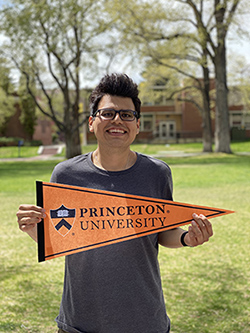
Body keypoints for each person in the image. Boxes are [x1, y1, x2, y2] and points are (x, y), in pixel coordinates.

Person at [17, 73, 213, 333]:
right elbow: (59, 238)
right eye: (108, 114)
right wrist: (37, 232)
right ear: (91, 122)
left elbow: (163, 231)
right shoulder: (65, 175)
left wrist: (188, 238)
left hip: (145, 321)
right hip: (80, 323)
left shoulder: (157, 173)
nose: (118, 120)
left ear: (138, 125)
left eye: (127, 114)